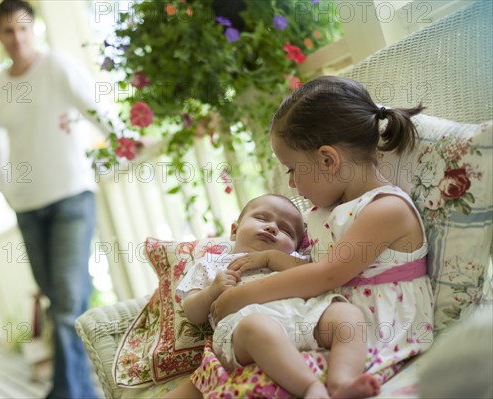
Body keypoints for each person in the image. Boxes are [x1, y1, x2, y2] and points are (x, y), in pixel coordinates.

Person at [205, 76, 434, 396]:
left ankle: (340, 385)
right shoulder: (329, 211)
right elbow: (315, 271)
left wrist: (244, 295)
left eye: (292, 170)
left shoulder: (387, 209)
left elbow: (326, 274)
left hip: (375, 331)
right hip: (328, 322)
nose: (293, 185)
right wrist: (271, 259)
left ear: (328, 160)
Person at [0, 1, 107, 397]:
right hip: (28, 206)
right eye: (7, 31)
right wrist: (8, 191)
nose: (16, 38)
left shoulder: (57, 66)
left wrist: (126, 141)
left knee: (69, 301)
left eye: (22, 28)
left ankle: (72, 393)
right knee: (57, 301)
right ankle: (69, 388)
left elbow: (96, 110)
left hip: (72, 196)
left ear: (33, 29)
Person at [166, 194, 380, 399]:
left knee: (347, 313)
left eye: (286, 231)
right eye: (261, 218)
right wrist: (212, 291)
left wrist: (272, 259)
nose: (272, 227)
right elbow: (192, 312)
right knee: (256, 326)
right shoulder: (211, 264)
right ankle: (311, 387)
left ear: (295, 246)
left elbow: (313, 273)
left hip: (301, 315)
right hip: (242, 329)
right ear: (234, 230)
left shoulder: (288, 259)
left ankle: (342, 381)